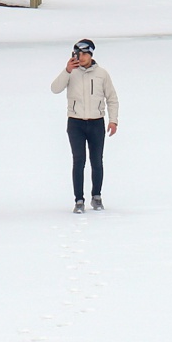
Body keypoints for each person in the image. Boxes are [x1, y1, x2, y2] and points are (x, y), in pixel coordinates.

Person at [51, 38, 119, 213]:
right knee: (78, 160)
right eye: (77, 54)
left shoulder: (102, 74)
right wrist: (67, 70)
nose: (80, 57)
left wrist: (113, 120)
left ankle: (96, 196)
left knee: (96, 161)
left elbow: (112, 98)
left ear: (91, 55)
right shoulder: (71, 73)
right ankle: (79, 200)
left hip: (96, 122)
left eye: (84, 54)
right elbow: (55, 88)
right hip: (75, 123)